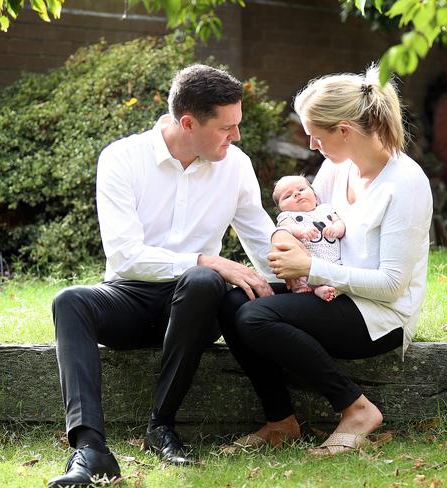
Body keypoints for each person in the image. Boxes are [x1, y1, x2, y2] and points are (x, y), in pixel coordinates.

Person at [48, 64, 277, 487]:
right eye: (227, 128)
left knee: (204, 282)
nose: (237, 137)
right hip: (131, 299)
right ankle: (90, 450)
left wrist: (306, 277)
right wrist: (205, 260)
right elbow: (126, 256)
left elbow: (262, 240)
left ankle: (161, 426)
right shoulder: (122, 158)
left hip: (197, 307)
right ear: (188, 123)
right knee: (70, 300)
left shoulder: (236, 165)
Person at [219, 66, 433, 455]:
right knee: (235, 299)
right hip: (327, 292)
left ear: (344, 131)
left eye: (315, 136)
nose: (313, 146)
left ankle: (356, 410)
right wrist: (284, 243)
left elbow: (392, 285)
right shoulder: (337, 168)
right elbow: (303, 223)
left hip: (378, 314)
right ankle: (280, 421)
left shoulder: (406, 183)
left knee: (255, 317)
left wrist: (311, 268)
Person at [272, 174, 345, 301]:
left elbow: (339, 222)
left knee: (337, 274)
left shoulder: (326, 209)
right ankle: (312, 289)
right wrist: (302, 231)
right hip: (307, 264)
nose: (296, 194)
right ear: (280, 209)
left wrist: (336, 229)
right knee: (302, 277)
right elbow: (288, 228)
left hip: (333, 261)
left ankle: (324, 290)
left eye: (301, 189)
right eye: (287, 196)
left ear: (315, 196)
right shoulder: (287, 216)